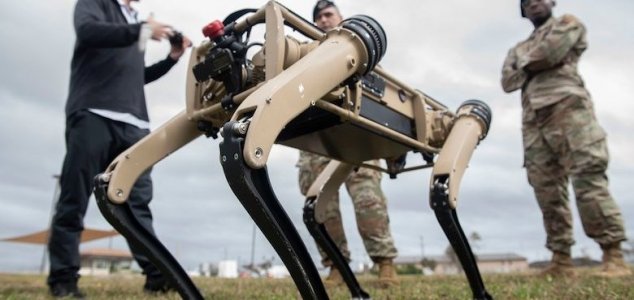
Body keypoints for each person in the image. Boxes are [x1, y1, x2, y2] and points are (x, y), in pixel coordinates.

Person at [47, 0, 192, 297]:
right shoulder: (95, 4)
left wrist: (172, 58)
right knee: (74, 198)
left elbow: (134, 77)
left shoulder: (133, 21)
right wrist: (141, 29)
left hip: (134, 122)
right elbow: (87, 31)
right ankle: (63, 279)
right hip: (92, 114)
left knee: (137, 205)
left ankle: (157, 276)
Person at [501, 0, 630, 277]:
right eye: (526, 2)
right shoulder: (518, 47)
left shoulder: (567, 23)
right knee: (546, 189)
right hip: (533, 122)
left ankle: (613, 254)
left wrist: (525, 64)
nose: (533, 2)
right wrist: (531, 62)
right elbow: (507, 82)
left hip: (569, 112)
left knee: (588, 177)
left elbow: (549, 53)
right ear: (522, 11)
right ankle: (560, 259)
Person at [296, 0, 399, 287]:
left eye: (329, 14)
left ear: (342, 18)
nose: (323, 20)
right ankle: (335, 266)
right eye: (318, 17)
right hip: (316, 135)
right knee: (320, 206)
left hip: (357, 136)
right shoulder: (306, 55)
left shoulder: (364, 54)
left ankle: (385, 264)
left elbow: (383, 97)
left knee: (369, 200)